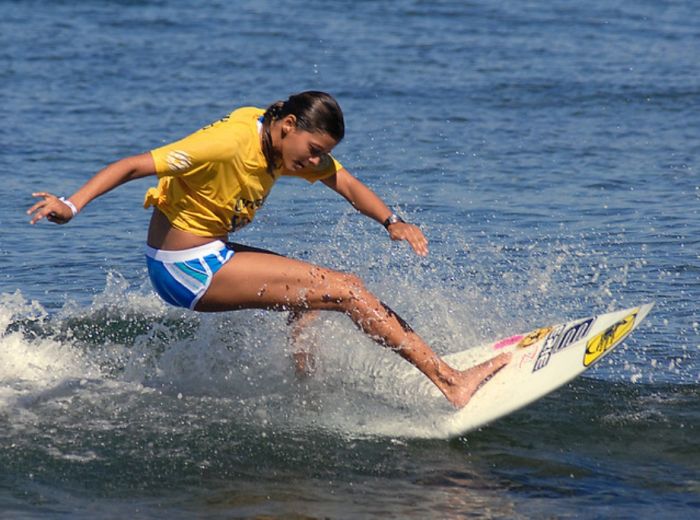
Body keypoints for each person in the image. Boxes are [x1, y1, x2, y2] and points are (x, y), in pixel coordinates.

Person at [27, 91, 510, 408]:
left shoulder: (277, 141)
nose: (315, 162)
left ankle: (305, 392)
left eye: (321, 152)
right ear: (289, 124)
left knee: (311, 300)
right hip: (187, 268)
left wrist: (392, 221)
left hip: (207, 250)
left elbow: (343, 180)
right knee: (347, 290)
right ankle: (452, 383)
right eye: (313, 149)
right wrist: (71, 204)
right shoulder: (226, 143)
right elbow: (133, 165)